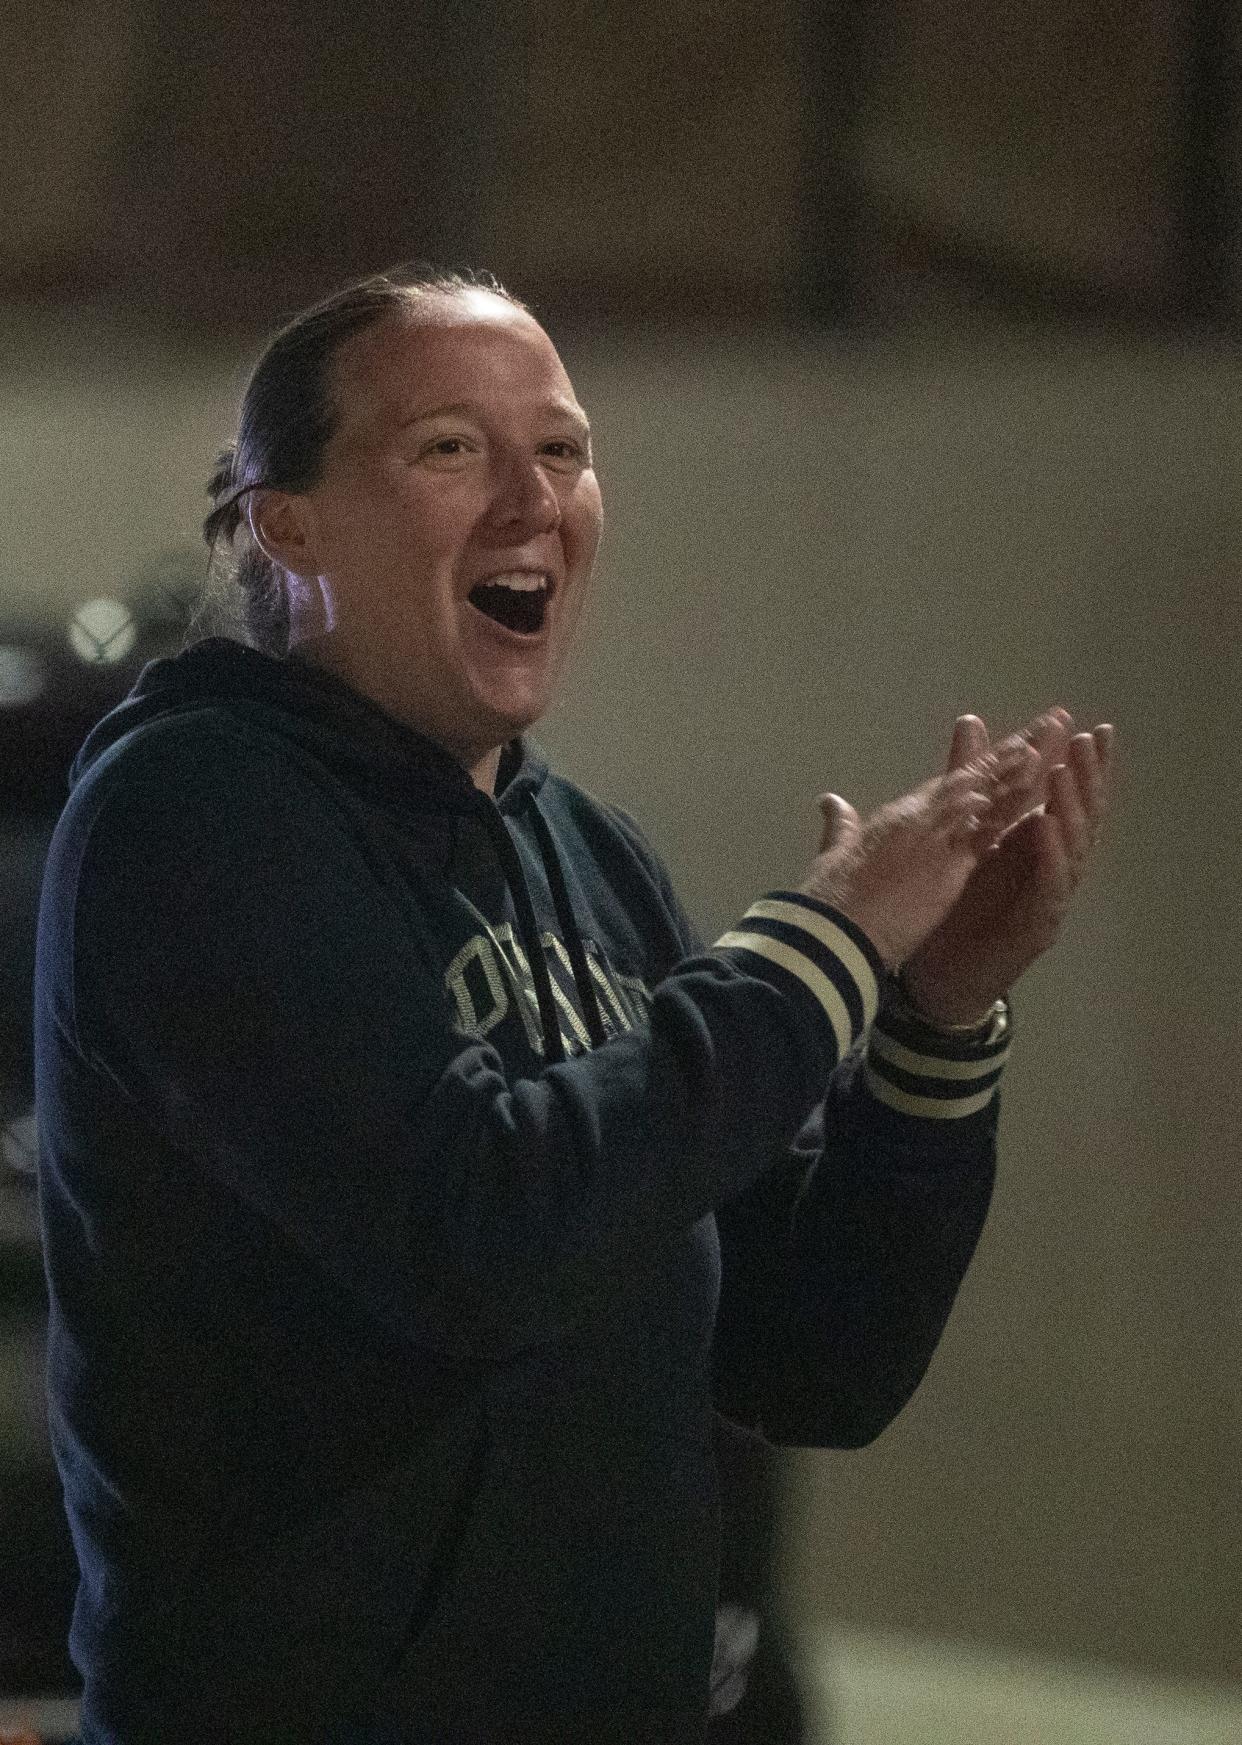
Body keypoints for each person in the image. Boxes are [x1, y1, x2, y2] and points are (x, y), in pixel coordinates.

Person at [33, 266, 1113, 1744]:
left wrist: (932, 1019)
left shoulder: (594, 858)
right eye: (450, 448)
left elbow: (813, 1357)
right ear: (286, 523)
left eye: (563, 448)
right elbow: (473, 1226)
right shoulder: (195, 810)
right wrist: (823, 937)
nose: (532, 497)